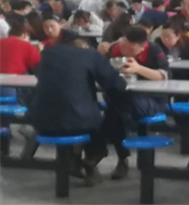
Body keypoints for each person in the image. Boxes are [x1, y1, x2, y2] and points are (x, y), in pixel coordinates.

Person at [31, 43, 126, 185]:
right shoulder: (91, 55)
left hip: (40, 121)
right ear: (86, 46)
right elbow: (116, 85)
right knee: (97, 121)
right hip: (78, 123)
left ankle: (74, 159)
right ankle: (90, 161)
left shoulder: (48, 54)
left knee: (74, 114)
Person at [104, 26, 169, 179]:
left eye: (130, 48)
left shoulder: (154, 50)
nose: (125, 50)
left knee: (113, 113)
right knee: (116, 111)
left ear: (142, 46)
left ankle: (120, 158)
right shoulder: (115, 49)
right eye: (123, 46)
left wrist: (138, 68)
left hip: (151, 99)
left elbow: (163, 76)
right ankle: (122, 157)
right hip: (121, 99)